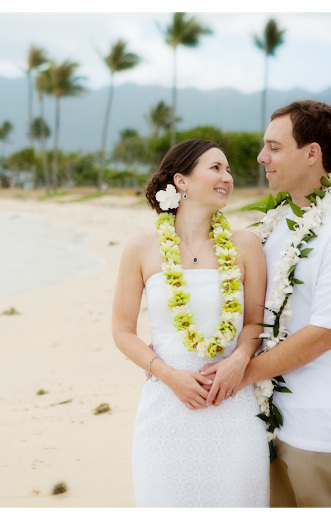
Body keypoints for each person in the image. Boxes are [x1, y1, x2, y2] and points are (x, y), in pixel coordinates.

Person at [235, 100, 331, 507]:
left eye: (274, 147)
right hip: (267, 421)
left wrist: (239, 375)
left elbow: (323, 335)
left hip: (318, 428)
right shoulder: (278, 223)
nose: (262, 157)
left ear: (312, 153)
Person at [112, 139, 269, 507]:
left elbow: (254, 324)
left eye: (228, 170)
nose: (227, 177)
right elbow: (121, 331)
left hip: (232, 402)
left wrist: (238, 360)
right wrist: (169, 375)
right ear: (181, 181)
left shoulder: (246, 245)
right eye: (216, 168)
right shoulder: (141, 249)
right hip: (167, 404)